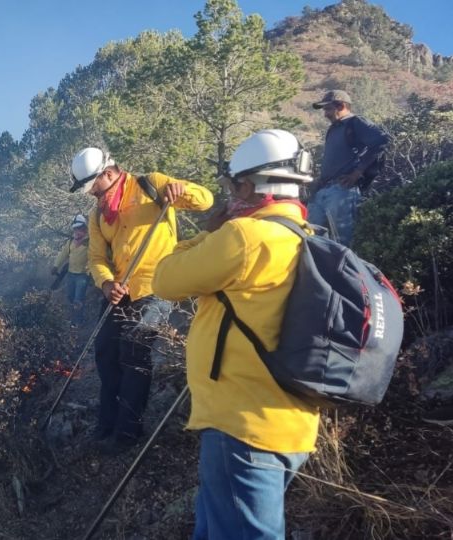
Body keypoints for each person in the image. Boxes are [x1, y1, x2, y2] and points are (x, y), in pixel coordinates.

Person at [152, 129, 321, 539]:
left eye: (232, 185)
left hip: (243, 426)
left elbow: (165, 279)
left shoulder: (245, 237)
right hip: (287, 423)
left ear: (249, 185)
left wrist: (210, 232)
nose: (229, 194)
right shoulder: (307, 238)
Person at [69, 147, 213, 452]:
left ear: (108, 174)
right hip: (119, 290)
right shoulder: (98, 214)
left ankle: (127, 433)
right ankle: (105, 423)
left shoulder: (151, 185)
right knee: (106, 353)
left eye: (92, 186)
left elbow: (205, 200)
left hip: (156, 286)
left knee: (134, 353)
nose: (91, 194)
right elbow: (96, 258)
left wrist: (182, 189)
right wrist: (106, 283)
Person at [307, 89, 388, 246]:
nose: (325, 114)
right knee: (312, 240)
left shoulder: (356, 122)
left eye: (328, 109)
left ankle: (346, 270)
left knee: (342, 241)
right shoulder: (334, 129)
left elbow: (381, 142)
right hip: (323, 191)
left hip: (342, 190)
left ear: (341, 106)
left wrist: (357, 173)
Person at [51, 214, 91, 325]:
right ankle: (76, 316)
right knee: (70, 296)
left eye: (80, 229)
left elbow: (96, 258)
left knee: (78, 299)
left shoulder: (90, 242)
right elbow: (63, 254)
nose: (77, 231)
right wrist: (56, 266)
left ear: (85, 228)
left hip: (83, 275)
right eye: (75, 229)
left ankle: (77, 322)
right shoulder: (71, 242)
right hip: (71, 274)